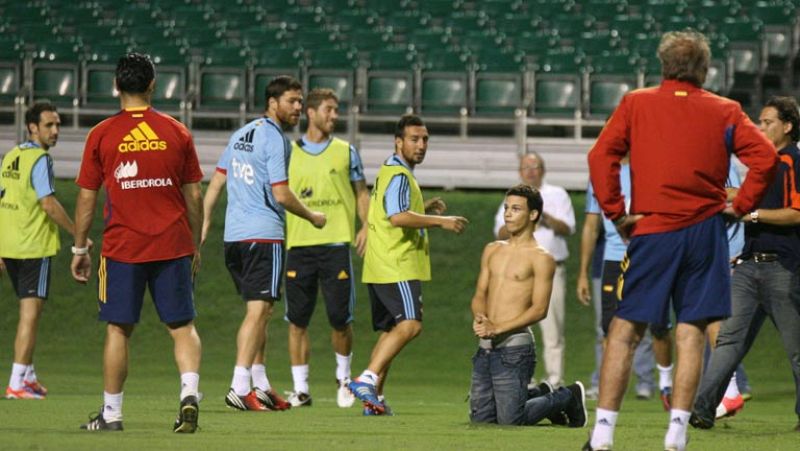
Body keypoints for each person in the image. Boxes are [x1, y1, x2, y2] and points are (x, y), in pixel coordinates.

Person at [584, 31, 777, 451]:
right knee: (692, 330)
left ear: (663, 64)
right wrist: (741, 205)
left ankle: (602, 436)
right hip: (706, 233)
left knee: (624, 329)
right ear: (704, 69)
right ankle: (677, 433)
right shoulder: (726, 110)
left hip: (654, 230)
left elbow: (600, 156)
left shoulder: (637, 102)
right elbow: (764, 157)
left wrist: (616, 214)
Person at [71, 53, 204, 433]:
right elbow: (193, 197)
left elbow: (85, 198)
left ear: (117, 86)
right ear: (152, 86)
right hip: (173, 244)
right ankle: (188, 395)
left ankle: (111, 414)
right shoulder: (177, 131)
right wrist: (194, 244)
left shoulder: (101, 134)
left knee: (118, 329)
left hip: (123, 248)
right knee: (182, 327)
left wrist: (80, 249)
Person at [202, 76, 326, 412]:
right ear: (273, 102)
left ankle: (261, 383)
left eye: (300, 102)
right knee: (260, 311)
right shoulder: (276, 139)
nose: (298, 108)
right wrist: (312, 216)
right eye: (292, 101)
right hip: (263, 234)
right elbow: (281, 194)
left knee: (259, 311)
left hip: (235, 237)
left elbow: (215, 183)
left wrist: (205, 223)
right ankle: (239, 386)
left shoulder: (241, 134)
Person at [691, 96, 800, 432]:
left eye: (767, 122)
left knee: (796, 350)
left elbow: (796, 213)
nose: (760, 127)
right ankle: (703, 410)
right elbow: (743, 194)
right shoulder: (762, 164)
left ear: (787, 125)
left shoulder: (794, 161)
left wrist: (749, 213)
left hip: (784, 268)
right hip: (750, 265)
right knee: (728, 341)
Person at [347, 114, 468, 415]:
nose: (421, 144)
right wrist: (441, 221)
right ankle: (367, 379)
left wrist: (423, 208)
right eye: (415, 139)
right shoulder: (400, 175)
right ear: (398, 142)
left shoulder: (391, 171)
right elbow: (398, 217)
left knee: (390, 331)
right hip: (395, 263)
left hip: (380, 264)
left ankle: (374, 400)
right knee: (411, 325)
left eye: (425, 139)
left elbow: (390, 211)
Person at [470, 184, 586, 428]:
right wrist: (480, 318)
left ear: (533, 214)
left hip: (515, 348)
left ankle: (568, 396)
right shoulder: (492, 249)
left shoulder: (542, 258)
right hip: (486, 346)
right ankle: (537, 393)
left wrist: (498, 328)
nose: (508, 214)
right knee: (481, 420)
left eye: (516, 209)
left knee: (512, 420)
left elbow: (539, 310)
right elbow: (480, 293)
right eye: (506, 208)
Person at [283, 88, 368, 408]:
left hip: (335, 245)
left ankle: (345, 379)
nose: (335, 116)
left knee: (340, 318)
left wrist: (366, 227)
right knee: (297, 320)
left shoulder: (346, 151)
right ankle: (301, 389)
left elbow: (362, 192)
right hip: (299, 245)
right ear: (311, 112)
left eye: (337, 110)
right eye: (330, 110)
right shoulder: (288, 152)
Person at [578, 155, 675, 410]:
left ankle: (663, 382)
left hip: (650, 256)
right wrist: (582, 272)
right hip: (612, 260)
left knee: (658, 326)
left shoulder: (653, 169)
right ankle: (609, 392)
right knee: (610, 329)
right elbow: (590, 227)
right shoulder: (599, 176)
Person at [0, 102, 81, 400]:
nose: (56, 130)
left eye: (57, 124)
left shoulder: (12, 155)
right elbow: (48, 204)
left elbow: (3, 199)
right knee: (29, 316)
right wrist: (77, 232)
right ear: (33, 127)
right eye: (49, 125)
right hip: (32, 246)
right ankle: (16, 383)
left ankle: (29, 376)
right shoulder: (40, 159)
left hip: (10, 245)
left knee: (28, 313)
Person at [493, 152, 575, 388]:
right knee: (517, 324)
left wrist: (542, 216)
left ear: (543, 169)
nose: (530, 171)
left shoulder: (557, 194)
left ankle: (555, 381)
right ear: (520, 172)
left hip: (551, 269)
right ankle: (522, 378)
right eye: (525, 167)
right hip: (519, 272)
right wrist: (521, 219)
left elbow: (568, 228)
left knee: (553, 328)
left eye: (535, 166)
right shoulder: (513, 200)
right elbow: (499, 232)